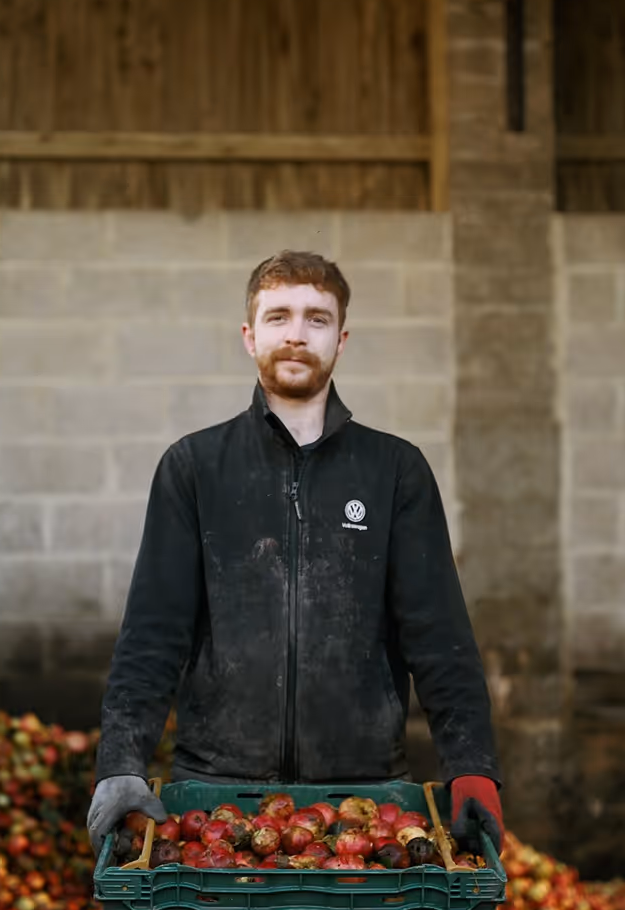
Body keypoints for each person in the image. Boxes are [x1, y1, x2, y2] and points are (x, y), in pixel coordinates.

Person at [87, 250, 504, 857]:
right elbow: (153, 636)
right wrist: (120, 761)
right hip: (215, 801)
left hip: (364, 804)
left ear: (341, 338)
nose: (297, 335)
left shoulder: (394, 472)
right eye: (279, 316)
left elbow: (439, 639)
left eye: (316, 318)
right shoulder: (194, 468)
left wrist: (473, 766)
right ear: (250, 336)